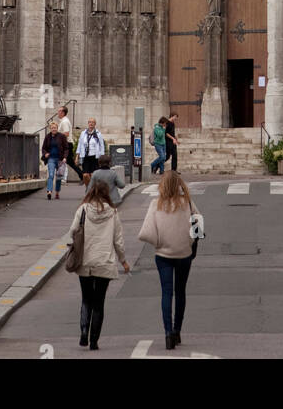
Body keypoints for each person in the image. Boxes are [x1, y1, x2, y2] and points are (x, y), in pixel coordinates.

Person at [65, 180, 130, 350]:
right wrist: (123, 260)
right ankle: (94, 341)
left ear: (91, 191)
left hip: (85, 261)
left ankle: (84, 333)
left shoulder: (83, 210)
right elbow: (118, 240)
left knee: (86, 299)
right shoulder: (113, 213)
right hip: (104, 261)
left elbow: (72, 230)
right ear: (106, 193)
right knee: (99, 303)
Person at [138, 170, 196, 350]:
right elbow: (199, 225)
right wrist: (192, 246)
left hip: (163, 254)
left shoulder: (156, 204)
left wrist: (159, 242)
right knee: (180, 292)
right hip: (184, 253)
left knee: (166, 293)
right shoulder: (187, 203)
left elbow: (147, 231)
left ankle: (167, 332)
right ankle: (177, 330)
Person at [58, 105, 83, 181]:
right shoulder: (64, 121)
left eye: (59, 111)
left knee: (68, 162)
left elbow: (66, 133)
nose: (58, 113)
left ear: (63, 113)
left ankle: (82, 176)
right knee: (68, 162)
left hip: (66, 144)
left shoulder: (65, 122)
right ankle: (82, 176)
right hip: (66, 144)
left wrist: (56, 136)